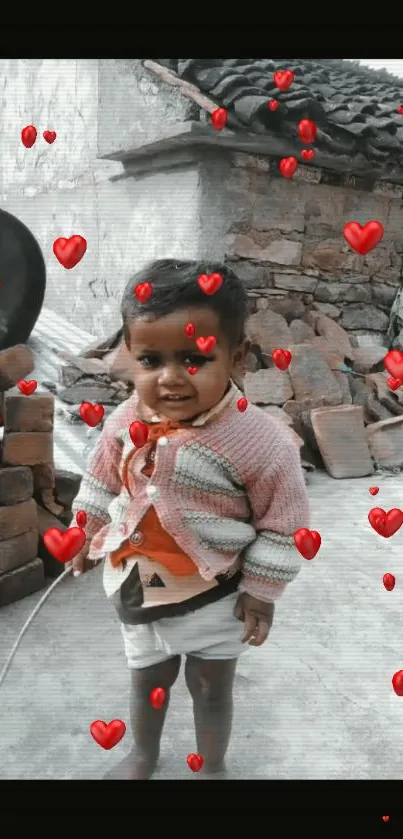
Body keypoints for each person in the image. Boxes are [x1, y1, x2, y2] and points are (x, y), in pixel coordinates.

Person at [70, 258, 310, 780]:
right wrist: (84, 532)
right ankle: (143, 754)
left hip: (217, 594)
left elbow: (284, 524)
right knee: (147, 679)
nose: (171, 379)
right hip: (139, 586)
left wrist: (262, 591)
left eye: (195, 359)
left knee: (210, 687)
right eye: (151, 359)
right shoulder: (127, 417)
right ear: (130, 357)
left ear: (237, 356)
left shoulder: (260, 442)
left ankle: (214, 766)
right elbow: (102, 481)